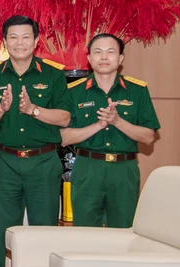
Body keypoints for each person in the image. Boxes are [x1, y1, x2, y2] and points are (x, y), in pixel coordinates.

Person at [0, 15, 71, 267]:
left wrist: (33, 110)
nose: (19, 43)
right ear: (4, 41)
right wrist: (2, 108)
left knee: (44, 233)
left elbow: (64, 118)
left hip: (43, 163)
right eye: (13, 37)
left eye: (25, 37)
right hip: (5, 162)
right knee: (6, 235)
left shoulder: (54, 74)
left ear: (36, 40)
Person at [60, 33, 159, 228]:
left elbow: (149, 137)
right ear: (89, 59)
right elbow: (64, 138)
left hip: (124, 170)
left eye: (110, 52)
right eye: (98, 52)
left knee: (123, 230)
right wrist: (98, 125)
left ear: (120, 58)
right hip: (88, 168)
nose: (104, 57)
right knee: (85, 231)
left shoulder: (137, 90)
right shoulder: (73, 91)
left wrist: (117, 121)